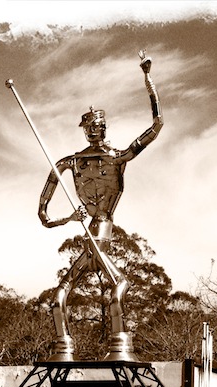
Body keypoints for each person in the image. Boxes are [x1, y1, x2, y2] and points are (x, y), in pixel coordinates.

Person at [38, 51, 163, 362]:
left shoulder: (118, 157)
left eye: (99, 125)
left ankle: (119, 345)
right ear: (85, 129)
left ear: (104, 127)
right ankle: (64, 347)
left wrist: (148, 79)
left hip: (103, 228)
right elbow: (43, 214)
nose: (96, 130)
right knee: (59, 296)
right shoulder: (70, 162)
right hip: (88, 233)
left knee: (117, 288)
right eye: (91, 126)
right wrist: (67, 218)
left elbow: (157, 124)